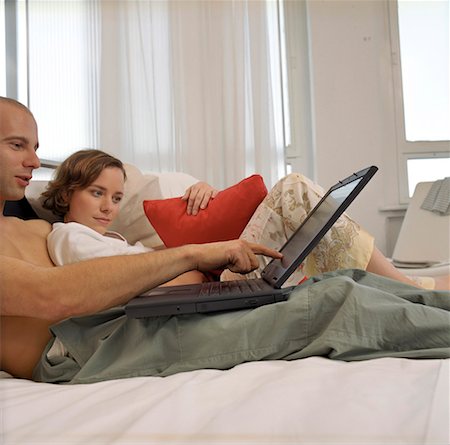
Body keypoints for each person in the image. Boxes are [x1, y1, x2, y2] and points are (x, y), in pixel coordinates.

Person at [1, 96, 449, 385]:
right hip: (82, 350)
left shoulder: (29, 222)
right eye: (17, 145)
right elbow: (55, 296)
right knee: (333, 305)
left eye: (35, 146)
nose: (34, 160)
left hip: (118, 319)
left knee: (341, 280)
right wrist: (195, 253)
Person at [42, 149, 445, 291]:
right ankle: (410, 285)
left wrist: (202, 195)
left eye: (115, 197)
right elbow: (118, 280)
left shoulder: (105, 235)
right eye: (97, 193)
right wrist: (197, 257)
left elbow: (146, 265)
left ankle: (411, 283)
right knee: (293, 192)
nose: (109, 206)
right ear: (65, 193)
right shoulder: (68, 237)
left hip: (216, 281)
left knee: (299, 206)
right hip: (213, 285)